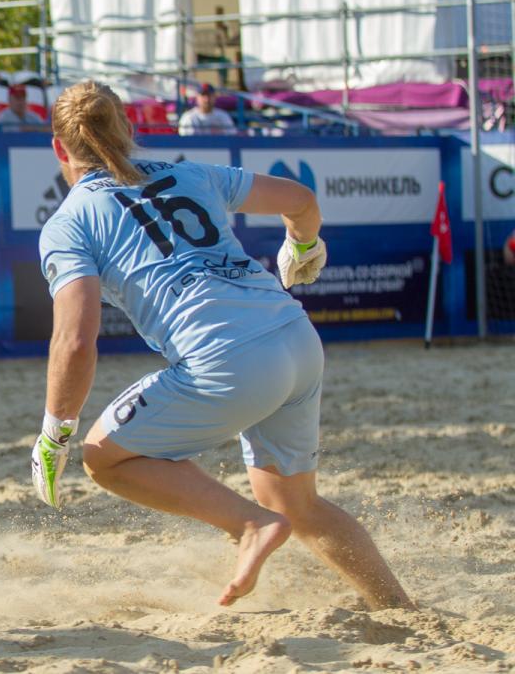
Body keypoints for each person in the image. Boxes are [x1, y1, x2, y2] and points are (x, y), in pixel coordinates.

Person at [31, 80, 414, 610]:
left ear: (59, 149)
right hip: (295, 337)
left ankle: (250, 525)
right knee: (297, 504)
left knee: (103, 457)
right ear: (129, 129)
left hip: (227, 358)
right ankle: (399, 608)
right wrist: (303, 244)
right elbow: (301, 200)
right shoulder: (191, 172)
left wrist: (54, 432)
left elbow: (75, 341)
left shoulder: (69, 222)